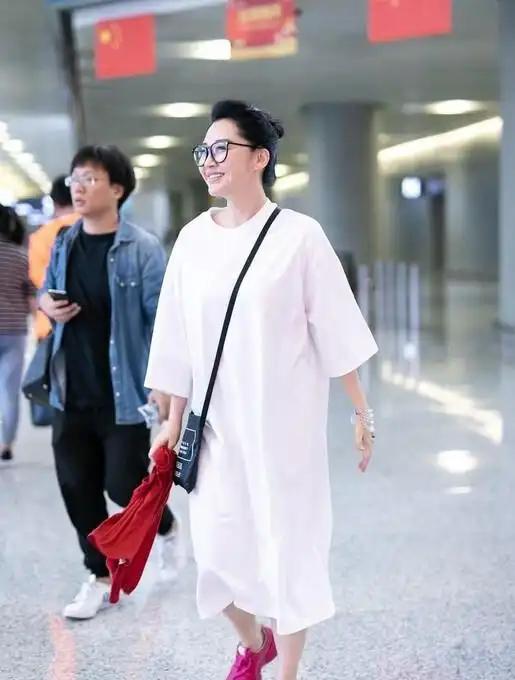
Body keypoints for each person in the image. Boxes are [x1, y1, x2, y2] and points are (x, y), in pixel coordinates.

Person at [146, 100, 378, 680]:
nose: (208, 160)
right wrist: (172, 421)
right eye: (203, 151)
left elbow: (335, 325)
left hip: (284, 429)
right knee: (216, 553)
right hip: (214, 428)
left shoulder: (300, 237)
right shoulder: (192, 240)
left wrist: (360, 411)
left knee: (288, 550)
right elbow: (174, 337)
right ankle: (254, 643)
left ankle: (287, 672)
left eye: (221, 148)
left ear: (260, 158)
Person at [39, 145, 184, 620]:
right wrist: (46, 305)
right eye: (74, 179)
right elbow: (45, 291)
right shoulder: (64, 241)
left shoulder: (141, 247)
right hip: (69, 389)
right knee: (76, 486)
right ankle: (99, 576)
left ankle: (165, 527)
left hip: (123, 394)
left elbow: (161, 319)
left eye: (90, 179)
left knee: (123, 485)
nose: (78, 188)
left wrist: (164, 383)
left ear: (117, 189)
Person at [0, 206, 36, 462]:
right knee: (9, 390)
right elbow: (31, 296)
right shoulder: (20, 256)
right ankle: (6, 443)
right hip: (14, 331)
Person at [29, 175, 79, 342]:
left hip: (50, 324)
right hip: (93, 324)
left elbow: (37, 278)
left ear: (54, 202)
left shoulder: (41, 236)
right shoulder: (94, 229)